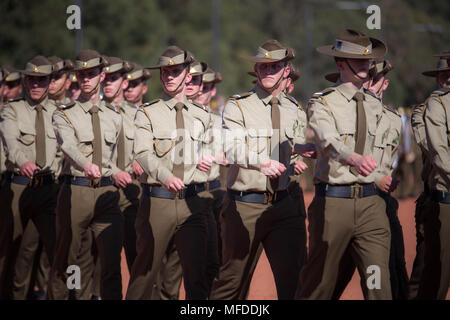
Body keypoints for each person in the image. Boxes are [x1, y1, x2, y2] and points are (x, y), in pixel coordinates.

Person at [295, 29, 392, 300]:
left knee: (379, 286)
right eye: (358, 60)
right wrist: (354, 158)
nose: (366, 65)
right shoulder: (322, 103)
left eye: (368, 60)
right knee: (320, 286)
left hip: (372, 207)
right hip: (333, 205)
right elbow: (327, 139)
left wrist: (385, 174)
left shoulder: (378, 108)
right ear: (340, 63)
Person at [209, 39, 310, 300]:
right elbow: (231, 148)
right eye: (262, 66)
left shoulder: (296, 111)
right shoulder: (238, 106)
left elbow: (294, 147)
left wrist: (302, 155)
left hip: (285, 206)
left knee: (295, 283)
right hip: (245, 206)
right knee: (232, 283)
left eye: (273, 67)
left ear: (286, 71)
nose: (266, 71)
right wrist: (261, 162)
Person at [126, 46, 214, 300]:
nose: (169, 76)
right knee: (145, 273)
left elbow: (211, 148)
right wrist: (166, 177)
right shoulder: (147, 113)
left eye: (175, 71)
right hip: (157, 201)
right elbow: (142, 152)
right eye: (165, 72)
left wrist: (207, 158)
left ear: (188, 75)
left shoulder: (202, 115)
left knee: (195, 278)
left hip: (193, 204)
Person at [326, 59, 409, 299]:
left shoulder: (392, 120)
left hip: (378, 206)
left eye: (375, 79)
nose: (369, 83)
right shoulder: (341, 112)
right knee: (327, 281)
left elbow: (390, 161)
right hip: (341, 202)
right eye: (367, 78)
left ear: (385, 84)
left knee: (389, 279)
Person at [47, 49, 126, 300]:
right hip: (76, 190)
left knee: (111, 262)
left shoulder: (114, 117)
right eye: (81, 75)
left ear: (102, 76)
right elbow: (68, 146)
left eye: (91, 74)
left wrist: (121, 172)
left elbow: (114, 161)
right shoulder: (64, 113)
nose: (86, 80)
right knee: (66, 261)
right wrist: (86, 164)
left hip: (107, 194)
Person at [0, 56, 59, 300]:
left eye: (41, 80)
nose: (36, 85)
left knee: (47, 251)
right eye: (32, 80)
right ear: (25, 82)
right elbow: (11, 142)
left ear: (49, 82)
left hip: (49, 190)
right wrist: (23, 161)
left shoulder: (60, 113)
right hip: (18, 186)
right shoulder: (12, 110)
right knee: (8, 251)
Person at [417, 55, 450, 299]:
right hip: (442, 195)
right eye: (443, 74)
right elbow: (436, 150)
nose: (447, 78)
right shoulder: (431, 107)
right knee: (436, 271)